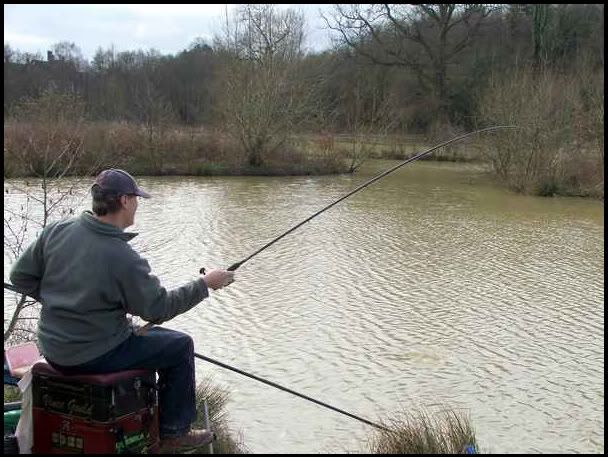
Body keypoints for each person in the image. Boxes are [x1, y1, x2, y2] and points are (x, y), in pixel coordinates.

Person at [9, 168, 235, 451]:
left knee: (152, 338)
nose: (138, 205)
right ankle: (173, 432)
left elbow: (20, 277)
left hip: (53, 347)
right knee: (179, 345)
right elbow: (158, 308)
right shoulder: (123, 257)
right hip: (91, 354)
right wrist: (205, 284)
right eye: (137, 199)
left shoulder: (57, 230)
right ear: (125, 201)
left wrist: (61, 300)